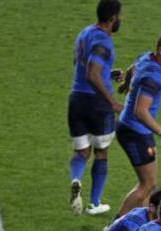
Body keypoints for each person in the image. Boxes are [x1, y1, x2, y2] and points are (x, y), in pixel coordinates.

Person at [114, 34, 161, 216]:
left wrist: (125, 84)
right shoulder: (154, 76)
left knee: (149, 183)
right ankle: (114, 227)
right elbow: (140, 111)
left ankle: (141, 225)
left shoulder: (147, 57)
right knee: (146, 185)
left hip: (131, 127)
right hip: (134, 131)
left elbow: (133, 68)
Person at [67, 0, 122, 216]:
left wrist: (107, 74)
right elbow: (91, 73)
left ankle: (75, 179)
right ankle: (94, 202)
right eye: (120, 16)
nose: (121, 20)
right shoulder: (103, 41)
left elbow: (80, 65)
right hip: (97, 104)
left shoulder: (84, 33)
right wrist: (111, 101)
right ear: (112, 18)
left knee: (81, 151)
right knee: (101, 152)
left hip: (76, 100)